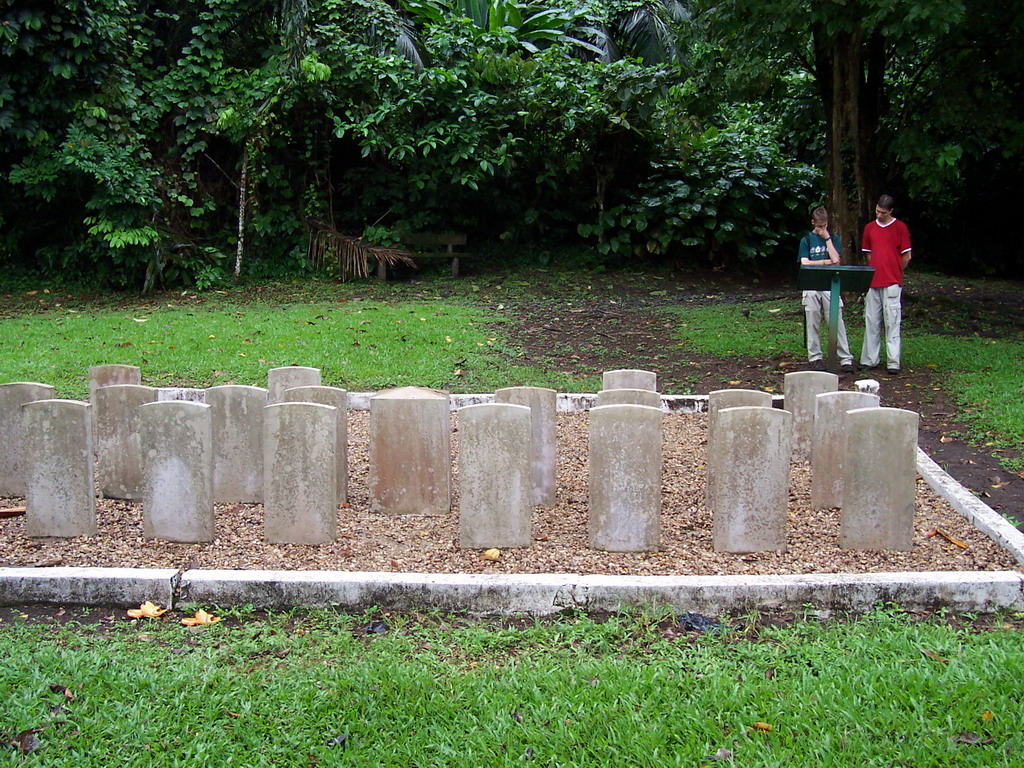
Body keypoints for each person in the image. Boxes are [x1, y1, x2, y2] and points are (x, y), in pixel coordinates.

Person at [860, 194, 912, 375]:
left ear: (890, 211)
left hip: (892, 281)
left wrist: (897, 270)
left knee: (892, 321)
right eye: (877, 211)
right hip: (873, 282)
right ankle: (869, 359)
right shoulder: (869, 228)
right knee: (871, 320)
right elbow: (868, 255)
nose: (879, 215)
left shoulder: (900, 228)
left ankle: (893, 362)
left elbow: (906, 256)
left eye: (882, 212)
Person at [799, 206, 853, 373]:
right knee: (813, 319)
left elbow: (836, 259)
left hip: (830, 285)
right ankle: (815, 357)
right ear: (813, 223)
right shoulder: (806, 240)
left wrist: (827, 239)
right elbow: (805, 262)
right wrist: (824, 262)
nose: (822, 229)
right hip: (811, 285)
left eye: (825, 225)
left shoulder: (833, 238)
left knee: (836, 320)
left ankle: (845, 358)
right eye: (819, 226)